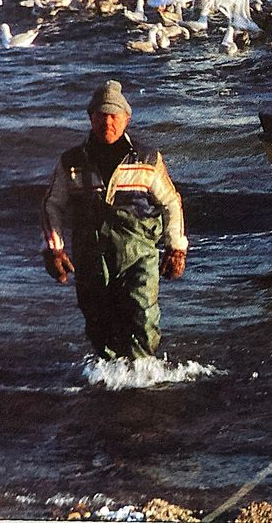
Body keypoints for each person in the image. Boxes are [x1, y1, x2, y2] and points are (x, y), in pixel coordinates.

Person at [40, 80, 187, 360]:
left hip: (139, 255)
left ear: (126, 119)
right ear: (90, 118)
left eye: (113, 116)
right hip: (90, 257)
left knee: (142, 317)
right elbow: (52, 205)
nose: (107, 122)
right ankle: (111, 388)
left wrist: (176, 247)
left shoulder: (147, 159)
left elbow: (171, 202)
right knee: (99, 324)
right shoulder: (71, 162)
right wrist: (54, 249)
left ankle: (143, 378)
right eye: (100, 115)